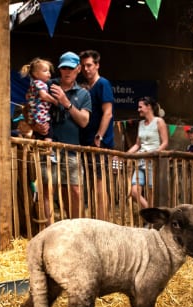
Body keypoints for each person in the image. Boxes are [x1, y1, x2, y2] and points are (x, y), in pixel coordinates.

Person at [33, 51, 91, 223]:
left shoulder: (83, 94)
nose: (66, 71)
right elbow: (29, 107)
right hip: (48, 148)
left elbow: (84, 122)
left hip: (71, 150)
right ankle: (48, 230)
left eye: (70, 68)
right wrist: (35, 124)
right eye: (63, 67)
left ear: (78, 69)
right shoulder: (47, 85)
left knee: (74, 190)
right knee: (46, 189)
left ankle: (73, 229)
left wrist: (66, 102)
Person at [79, 50, 115, 221]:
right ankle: (95, 219)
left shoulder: (103, 84)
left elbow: (108, 113)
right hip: (86, 141)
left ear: (97, 65)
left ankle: (103, 221)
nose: (86, 69)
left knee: (100, 183)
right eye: (83, 65)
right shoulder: (86, 88)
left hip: (100, 143)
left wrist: (99, 136)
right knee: (92, 183)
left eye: (89, 65)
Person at [125, 97, 168, 210]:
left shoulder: (159, 121)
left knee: (151, 192)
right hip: (140, 161)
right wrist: (125, 155)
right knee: (134, 191)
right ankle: (150, 212)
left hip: (152, 161)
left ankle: (151, 220)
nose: (138, 109)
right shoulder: (141, 124)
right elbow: (137, 145)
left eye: (141, 107)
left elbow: (165, 142)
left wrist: (155, 153)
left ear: (148, 107)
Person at [19, 58, 57, 141]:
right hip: (41, 114)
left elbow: (27, 97)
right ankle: (49, 149)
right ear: (35, 74)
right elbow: (43, 95)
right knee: (48, 134)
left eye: (49, 71)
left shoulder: (33, 85)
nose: (48, 73)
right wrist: (54, 101)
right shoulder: (40, 83)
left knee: (37, 135)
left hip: (33, 116)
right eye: (45, 71)